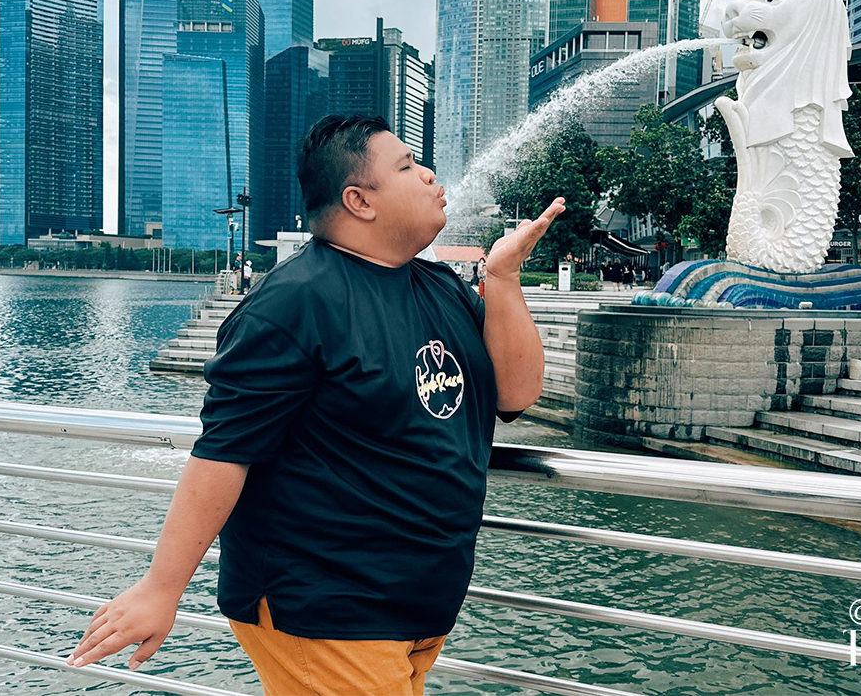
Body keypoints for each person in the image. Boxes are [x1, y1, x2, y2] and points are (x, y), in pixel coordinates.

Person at [66, 114, 566, 695]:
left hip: (414, 604)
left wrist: (502, 279)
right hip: (327, 606)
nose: (430, 174)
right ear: (359, 200)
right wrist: (162, 588)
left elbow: (516, 393)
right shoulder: (294, 303)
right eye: (406, 166)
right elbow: (224, 454)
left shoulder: (441, 287)